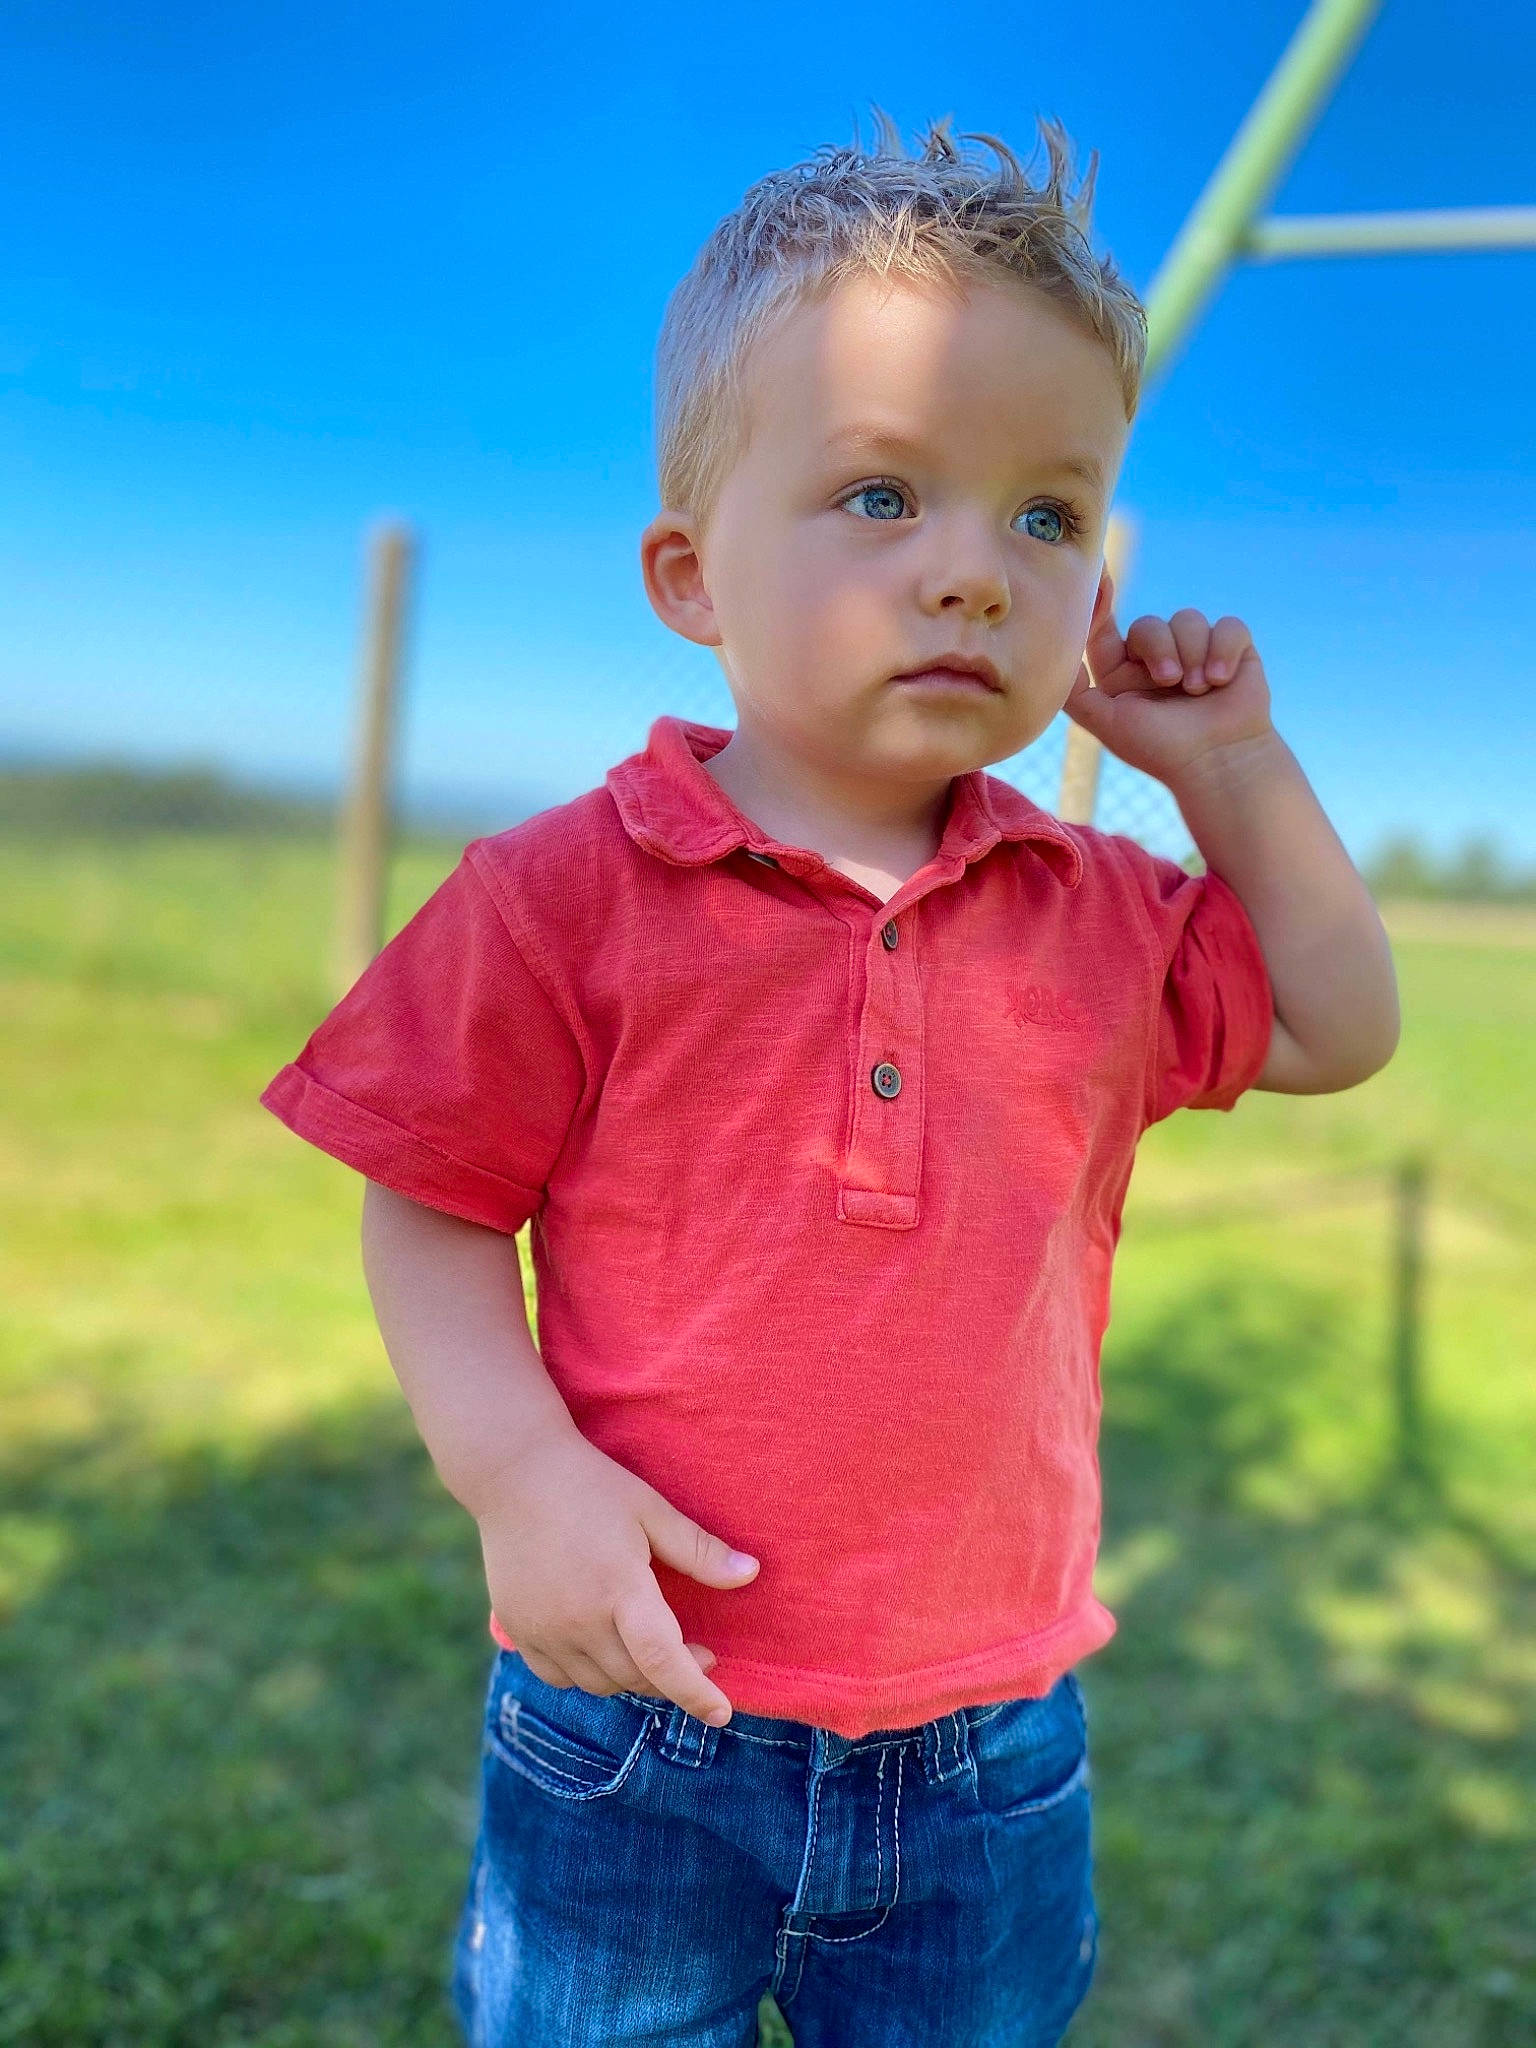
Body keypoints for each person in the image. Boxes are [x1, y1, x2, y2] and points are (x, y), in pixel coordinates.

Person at [259, 107, 1400, 2048]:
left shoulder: (1100, 911)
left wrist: (1231, 771)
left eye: (1048, 514)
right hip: (635, 1712)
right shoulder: (561, 897)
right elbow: (431, 1198)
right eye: (885, 495)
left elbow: (1332, 1025)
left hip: (991, 1737)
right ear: (692, 574)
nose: (975, 570)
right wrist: (517, 1473)